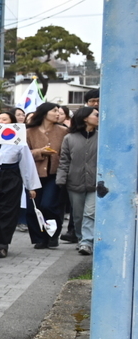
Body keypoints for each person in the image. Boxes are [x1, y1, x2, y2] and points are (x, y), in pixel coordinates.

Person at [0, 109, 38, 259]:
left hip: (11, 177)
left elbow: (27, 163)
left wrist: (30, 186)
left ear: (13, 123)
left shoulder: (19, 140)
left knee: (7, 211)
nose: (1, 122)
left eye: (5, 119)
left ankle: (2, 244)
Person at [25, 102, 69, 250]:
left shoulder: (63, 131)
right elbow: (23, 154)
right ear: (44, 113)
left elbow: (67, 154)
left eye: (59, 111)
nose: (58, 113)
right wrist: (40, 152)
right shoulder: (29, 132)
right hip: (34, 175)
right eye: (54, 110)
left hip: (54, 174)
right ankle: (39, 238)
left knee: (48, 205)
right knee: (33, 208)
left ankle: (53, 234)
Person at [58, 105, 99, 255]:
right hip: (74, 182)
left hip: (95, 183)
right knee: (78, 214)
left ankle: (87, 242)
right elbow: (64, 160)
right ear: (85, 118)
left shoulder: (101, 137)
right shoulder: (69, 138)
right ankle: (82, 239)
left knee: (90, 212)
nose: (99, 117)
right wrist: (61, 180)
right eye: (96, 114)